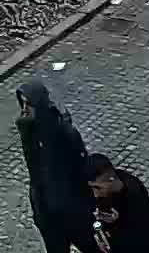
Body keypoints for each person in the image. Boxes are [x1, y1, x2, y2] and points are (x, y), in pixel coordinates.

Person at [17, 81, 95, 253]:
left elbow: (82, 168)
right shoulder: (29, 129)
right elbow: (35, 170)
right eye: (22, 103)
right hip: (48, 215)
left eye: (28, 104)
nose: (24, 109)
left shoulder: (63, 132)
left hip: (72, 212)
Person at [86, 153, 149, 253]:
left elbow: (137, 237)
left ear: (110, 179)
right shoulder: (107, 193)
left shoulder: (134, 196)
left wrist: (115, 224)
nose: (95, 194)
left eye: (98, 188)